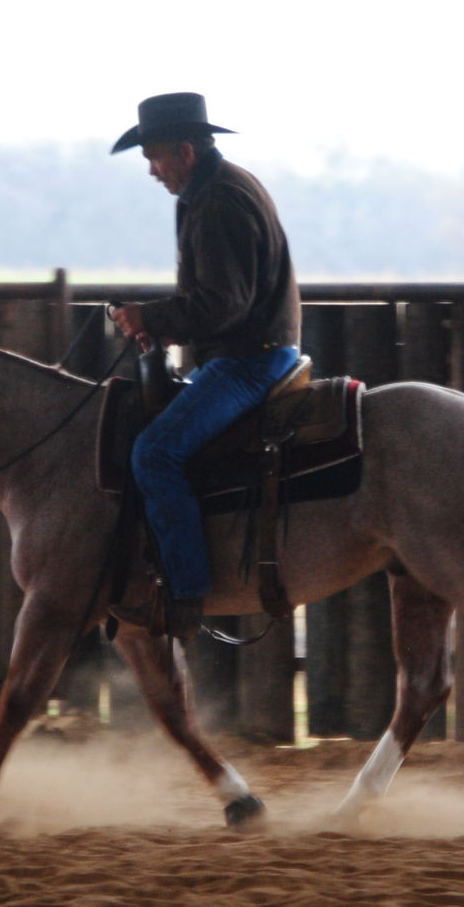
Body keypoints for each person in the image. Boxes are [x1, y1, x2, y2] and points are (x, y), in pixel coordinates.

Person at [106, 92, 302, 639]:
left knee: (155, 452)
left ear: (185, 151)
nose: (151, 171)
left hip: (247, 362)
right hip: (256, 351)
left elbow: (224, 304)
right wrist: (159, 320)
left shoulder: (216, 202)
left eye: (155, 157)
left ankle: (186, 595)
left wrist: (150, 315)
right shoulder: (220, 187)